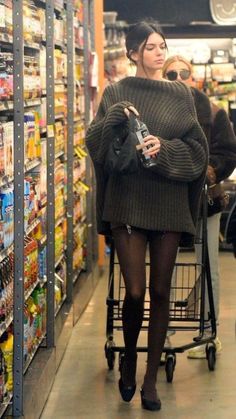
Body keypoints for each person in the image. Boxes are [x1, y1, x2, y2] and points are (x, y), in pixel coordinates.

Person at [86, 21, 208, 411]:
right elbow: (96, 144)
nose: (159, 52)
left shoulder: (182, 96)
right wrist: (115, 118)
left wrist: (165, 150)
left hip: (168, 203)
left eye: (162, 46)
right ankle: (129, 362)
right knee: (134, 291)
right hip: (127, 203)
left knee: (160, 292)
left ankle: (150, 379)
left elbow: (198, 149)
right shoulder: (116, 92)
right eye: (150, 47)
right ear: (134, 53)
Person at [163, 55, 236, 358]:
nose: (178, 78)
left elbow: (229, 154)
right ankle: (161, 329)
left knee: (208, 265)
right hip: (164, 201)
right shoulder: (155, 112)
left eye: (184, 73)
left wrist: (208, 170)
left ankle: (209, 331)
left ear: (193, 77)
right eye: (171, 74)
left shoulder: (214, 113)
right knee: (162, 265)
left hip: (203, 200)